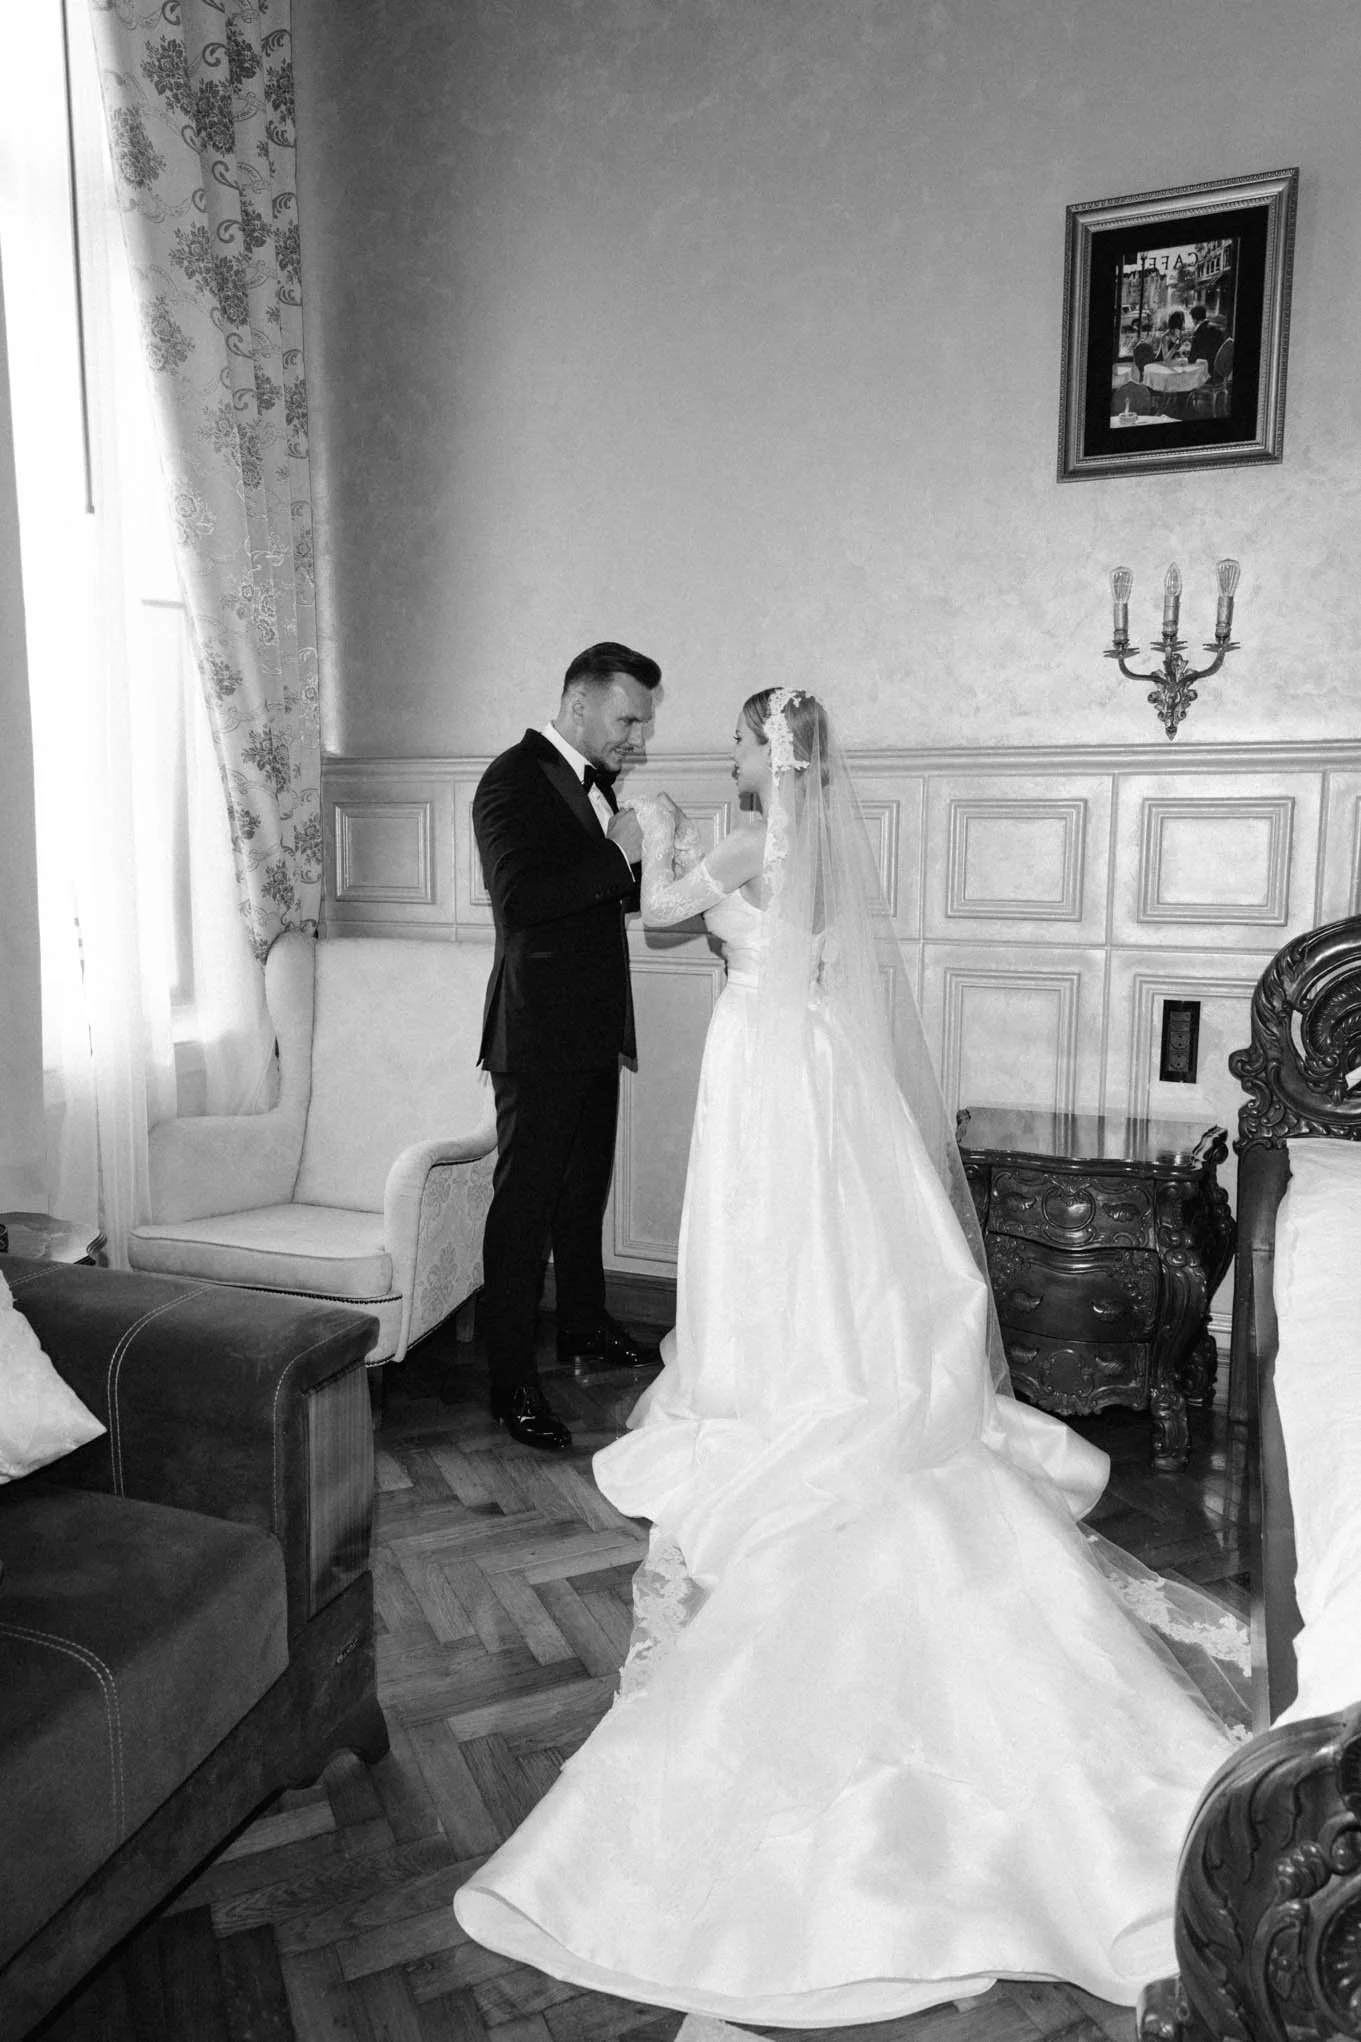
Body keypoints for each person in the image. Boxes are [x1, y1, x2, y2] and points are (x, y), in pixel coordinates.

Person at [454, 688, 1242, 2018]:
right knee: (815, 1244)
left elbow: (658, 910)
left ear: (778, 750)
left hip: (765, 1067)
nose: (729, 751)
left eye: (746, 737)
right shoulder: (793, 830)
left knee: (770, 1233)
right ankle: (803, 1366)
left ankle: (776, 1387)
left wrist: (652, 825)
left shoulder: (761, 836)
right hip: (796, 1056)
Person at [472, 642, 662, 1452]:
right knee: (525, 1208)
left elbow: (589, 900)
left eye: (643, 723)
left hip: (589, 1027)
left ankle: (582, 1327)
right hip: (537, 1034)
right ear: (578, 704)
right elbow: (520, 901)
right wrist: (615, 853)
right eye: (627, 720)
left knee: (583, 1193)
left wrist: (639, 865)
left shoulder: (593, 780)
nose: (636, 738)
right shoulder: (509, 780)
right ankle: (508, 1379)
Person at [1188, 303, 1227, 373]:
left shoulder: (1198, 332)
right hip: (1219, 369)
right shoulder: (1216, 328)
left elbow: (1191, 359)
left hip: (1206, 371)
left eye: (1192, 319)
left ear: (1195, 319)